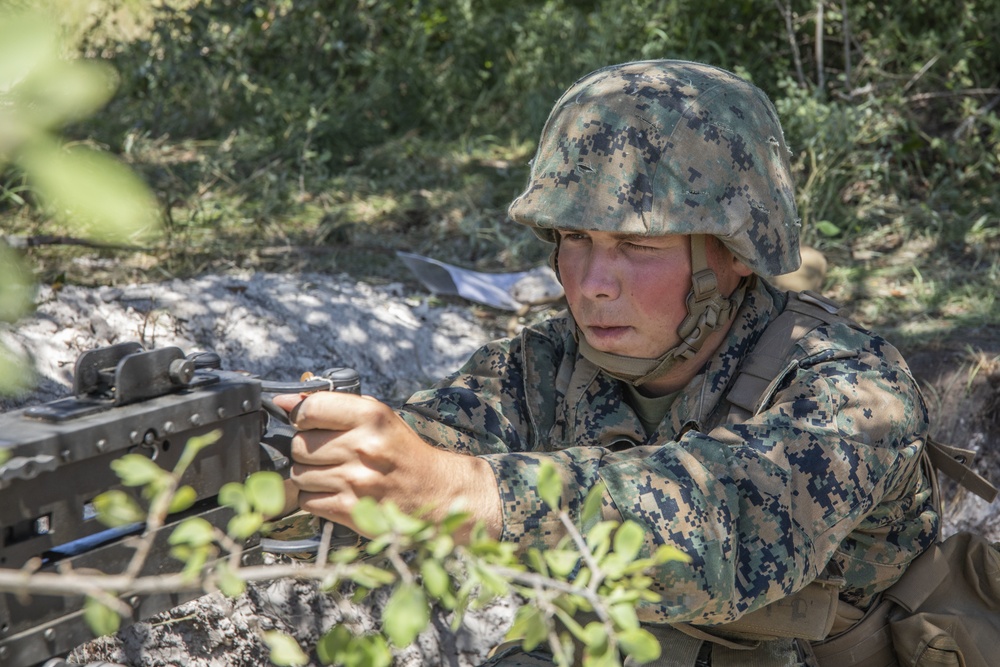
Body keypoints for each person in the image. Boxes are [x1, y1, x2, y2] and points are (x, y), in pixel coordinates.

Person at [273, 60, 938, 666]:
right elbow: (430, 436)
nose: (592, 281)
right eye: (573, 238)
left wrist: (466, 491)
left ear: (733, 252)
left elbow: (722, 531)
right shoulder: (551, 360)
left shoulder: (851, 387)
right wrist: (290, 458)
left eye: (635, 244)